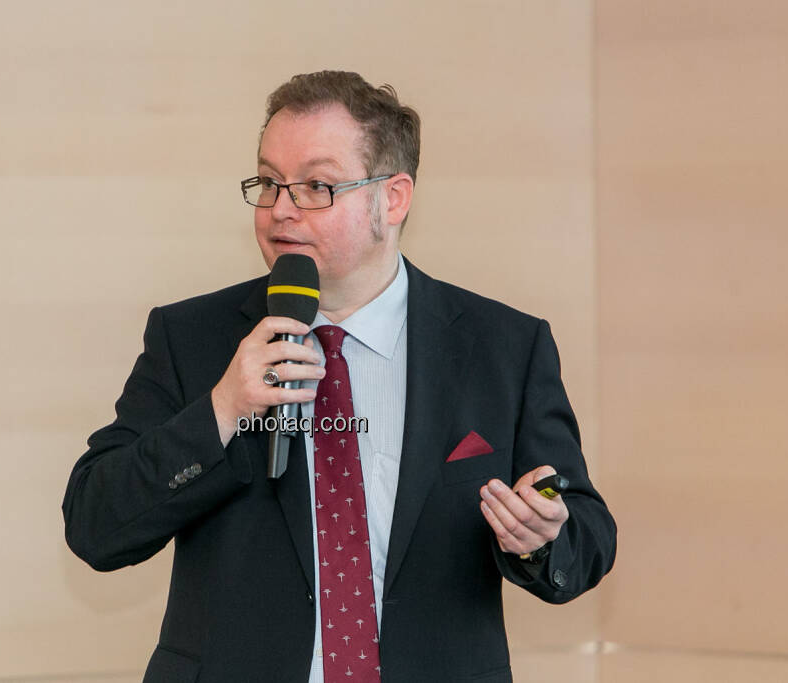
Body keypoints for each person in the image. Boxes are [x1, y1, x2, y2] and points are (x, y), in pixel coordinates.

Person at [62, 70, 616, 683]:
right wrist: (221, 410)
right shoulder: (193, 338)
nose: (280, 209)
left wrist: (541, 538)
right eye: (269, 183)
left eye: (316, 186)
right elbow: (95, 527)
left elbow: (587, 538)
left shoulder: (503, 346)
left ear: (393, 199)